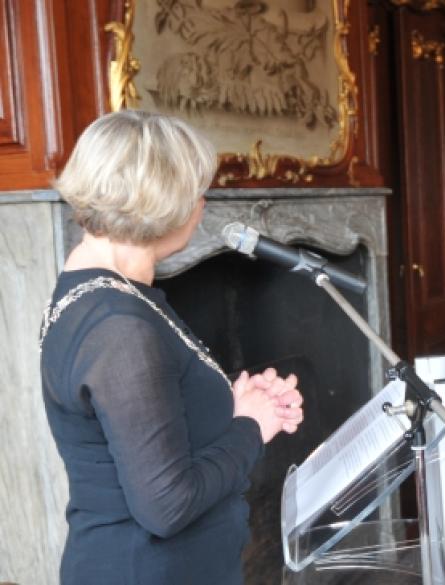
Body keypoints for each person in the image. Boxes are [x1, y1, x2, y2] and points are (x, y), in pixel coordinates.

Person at [39, 110, 305, 585]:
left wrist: (234, 403)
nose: (201, 206)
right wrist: (251, 428)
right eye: (196, 193)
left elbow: (147, 424)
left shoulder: (100, 292)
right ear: (166, 205)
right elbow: (166, 505)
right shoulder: (118, 328)